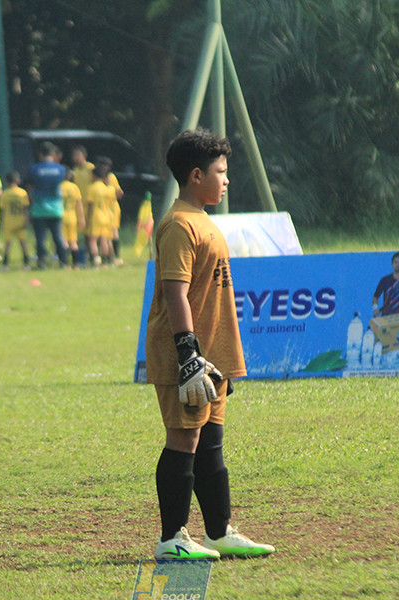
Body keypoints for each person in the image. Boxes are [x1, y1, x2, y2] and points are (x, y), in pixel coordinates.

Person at [144, 128, 275, 560]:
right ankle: (172, 539)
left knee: (210, 444)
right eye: (220, 171)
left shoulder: (202, 219)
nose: (226, 179)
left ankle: (218, 532)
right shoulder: (179, 224)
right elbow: (175, 293)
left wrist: (210, 355)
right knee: (183, 441)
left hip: (212, 356)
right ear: (196, 175)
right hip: (186, 354)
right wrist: (188, 354)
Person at [27, 142, 68, 269]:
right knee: (58, 236)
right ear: (53, 154)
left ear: (40, 154)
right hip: (56, 208)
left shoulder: (34, 169)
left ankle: (41, 262)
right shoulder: (61, 169)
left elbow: (30, 186)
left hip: (39, 208)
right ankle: (63, 262)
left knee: (40, 237)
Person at [85, 157, 119, 267]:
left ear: (94, 176)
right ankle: (106, 258)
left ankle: (95, 259)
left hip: (96, 215)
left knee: (93, 240)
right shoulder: (108, 189)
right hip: (107, 215)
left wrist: (87, 218)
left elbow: (90, 205)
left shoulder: (92, 188)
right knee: (105, 239)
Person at [0, 171, 32, 270]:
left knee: (8, 243)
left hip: (8, 221)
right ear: (18, 181)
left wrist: (1, 221)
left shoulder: (5, 194)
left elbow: (2, 209)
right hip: (20, 220)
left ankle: (5, 264)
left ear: (6, 182)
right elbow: (25, 208)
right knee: (23, 243)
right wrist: (27, 219)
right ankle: (26, 264)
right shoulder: (22, 193)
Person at [60, 168, 85, 269]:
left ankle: (65, 264)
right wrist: (81, 218)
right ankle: (76, 264)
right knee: (73, 241)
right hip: (72, 216)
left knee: (64, 241)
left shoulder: (59, 187)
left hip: (61, 216)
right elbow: (79, 204)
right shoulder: (74, 187)